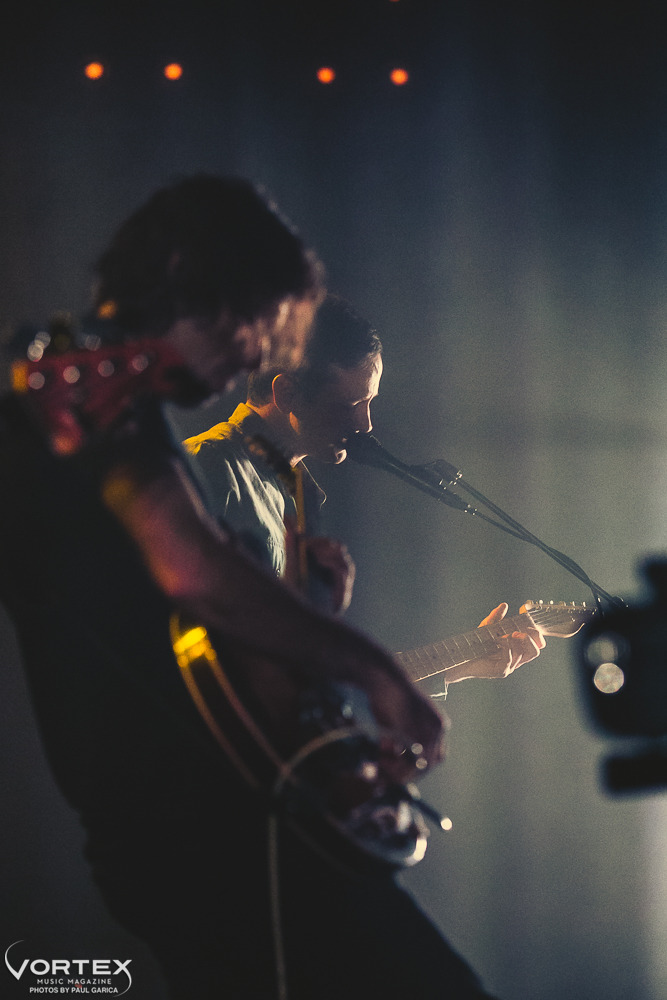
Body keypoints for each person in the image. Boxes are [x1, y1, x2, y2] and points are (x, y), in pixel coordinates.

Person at [0, 176, 501, 999]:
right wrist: (372, 670)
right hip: (192, 825)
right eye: (262, 324)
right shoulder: (88, 393)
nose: (261, 355)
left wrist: (310, 621)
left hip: (214, 808)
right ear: (191, 283)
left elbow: (180, 615)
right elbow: (194, 573)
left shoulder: (135, 422)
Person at [184, 293, 545, 685]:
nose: (365, 424)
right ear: (286, 393)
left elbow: (304, 680)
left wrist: (457, 668)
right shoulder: (208, 468)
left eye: (369, 402)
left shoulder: (298, 500)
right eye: (349, 405)